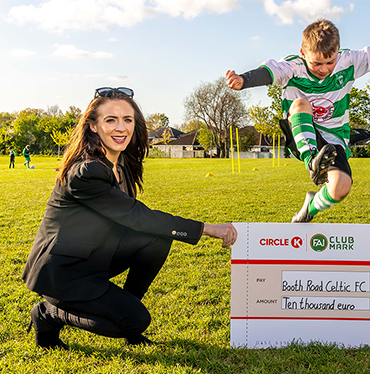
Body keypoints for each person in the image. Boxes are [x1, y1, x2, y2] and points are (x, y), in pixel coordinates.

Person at [23, 87, 238, 350]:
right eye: (110, 120)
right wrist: (206, 229)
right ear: (93, 125)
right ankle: (48, 314)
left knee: (157, 240)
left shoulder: (121, 160)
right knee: (135, 321)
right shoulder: (86, 172)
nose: (121, 128)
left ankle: (125, 307)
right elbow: (137, 216)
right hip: (64, 272)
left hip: (93, 258)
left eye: (127, 119)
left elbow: (140, 223)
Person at [226, 13, 370, 223]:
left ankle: (311, 206)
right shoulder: (292, 66)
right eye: (317, 64)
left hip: (335, 138)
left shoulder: (349, 61)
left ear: (337, 53)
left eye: (330, 62)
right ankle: (312, 163)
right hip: (301, 132)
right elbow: (267, 73)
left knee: (340, 187)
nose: (324, 69)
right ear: (303, 53)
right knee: (301, 103)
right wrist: (243, 79)